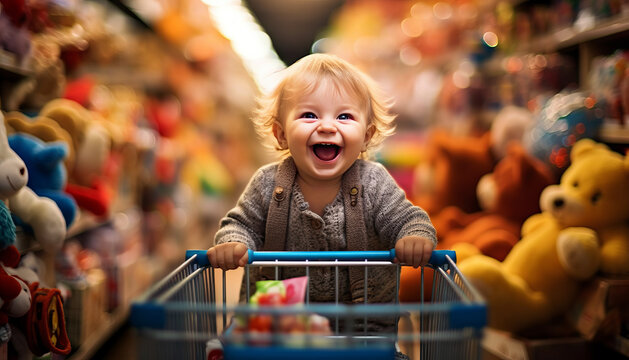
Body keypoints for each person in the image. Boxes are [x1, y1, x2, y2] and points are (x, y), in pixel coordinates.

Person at [207, 53, 436, 307]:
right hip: (278, 322)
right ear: (281, 134)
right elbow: (241, 224)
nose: (327, 126)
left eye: (344, 117)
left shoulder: (374, 182)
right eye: (309, 115)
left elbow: (407, 219)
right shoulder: (267, 183)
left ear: (366, 136)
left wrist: (414, 237)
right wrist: (233, 242)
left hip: (362, 324)